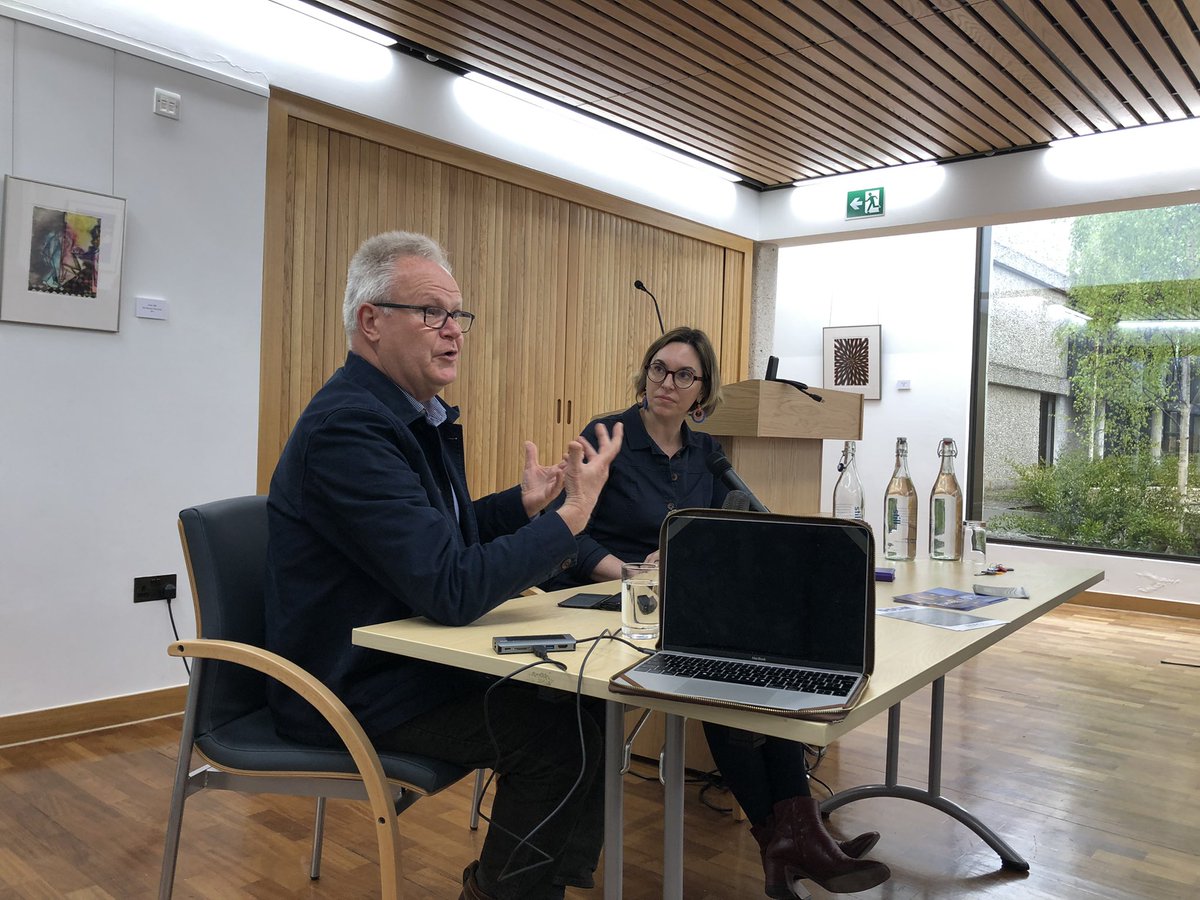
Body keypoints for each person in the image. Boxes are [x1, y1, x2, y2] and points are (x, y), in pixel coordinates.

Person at [264, 231, 623, 900]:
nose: (454, 331)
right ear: (372, 321)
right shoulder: (348, 429)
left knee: (586, 702)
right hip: (349, 686)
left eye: (457, 314)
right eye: (432, 312)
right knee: (556, 737)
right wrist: (570, 517)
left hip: (405, 662)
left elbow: (437, 545)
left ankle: (544, 883)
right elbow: (452, 587)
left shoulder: (402, 415)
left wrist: (520, 506)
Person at [556, 326, 890, 897]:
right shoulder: (607, 437)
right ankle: (796, 838)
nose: (667, 382)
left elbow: (727, 534)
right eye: (659, 368)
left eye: (684, 374)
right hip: (613, 605)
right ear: (645, 374)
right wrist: (629, 570)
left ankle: (795, 835)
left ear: (702, 391)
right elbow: (568, 528)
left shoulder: (707, 453)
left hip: (685, 607)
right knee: (719, 670)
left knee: (760, 661)